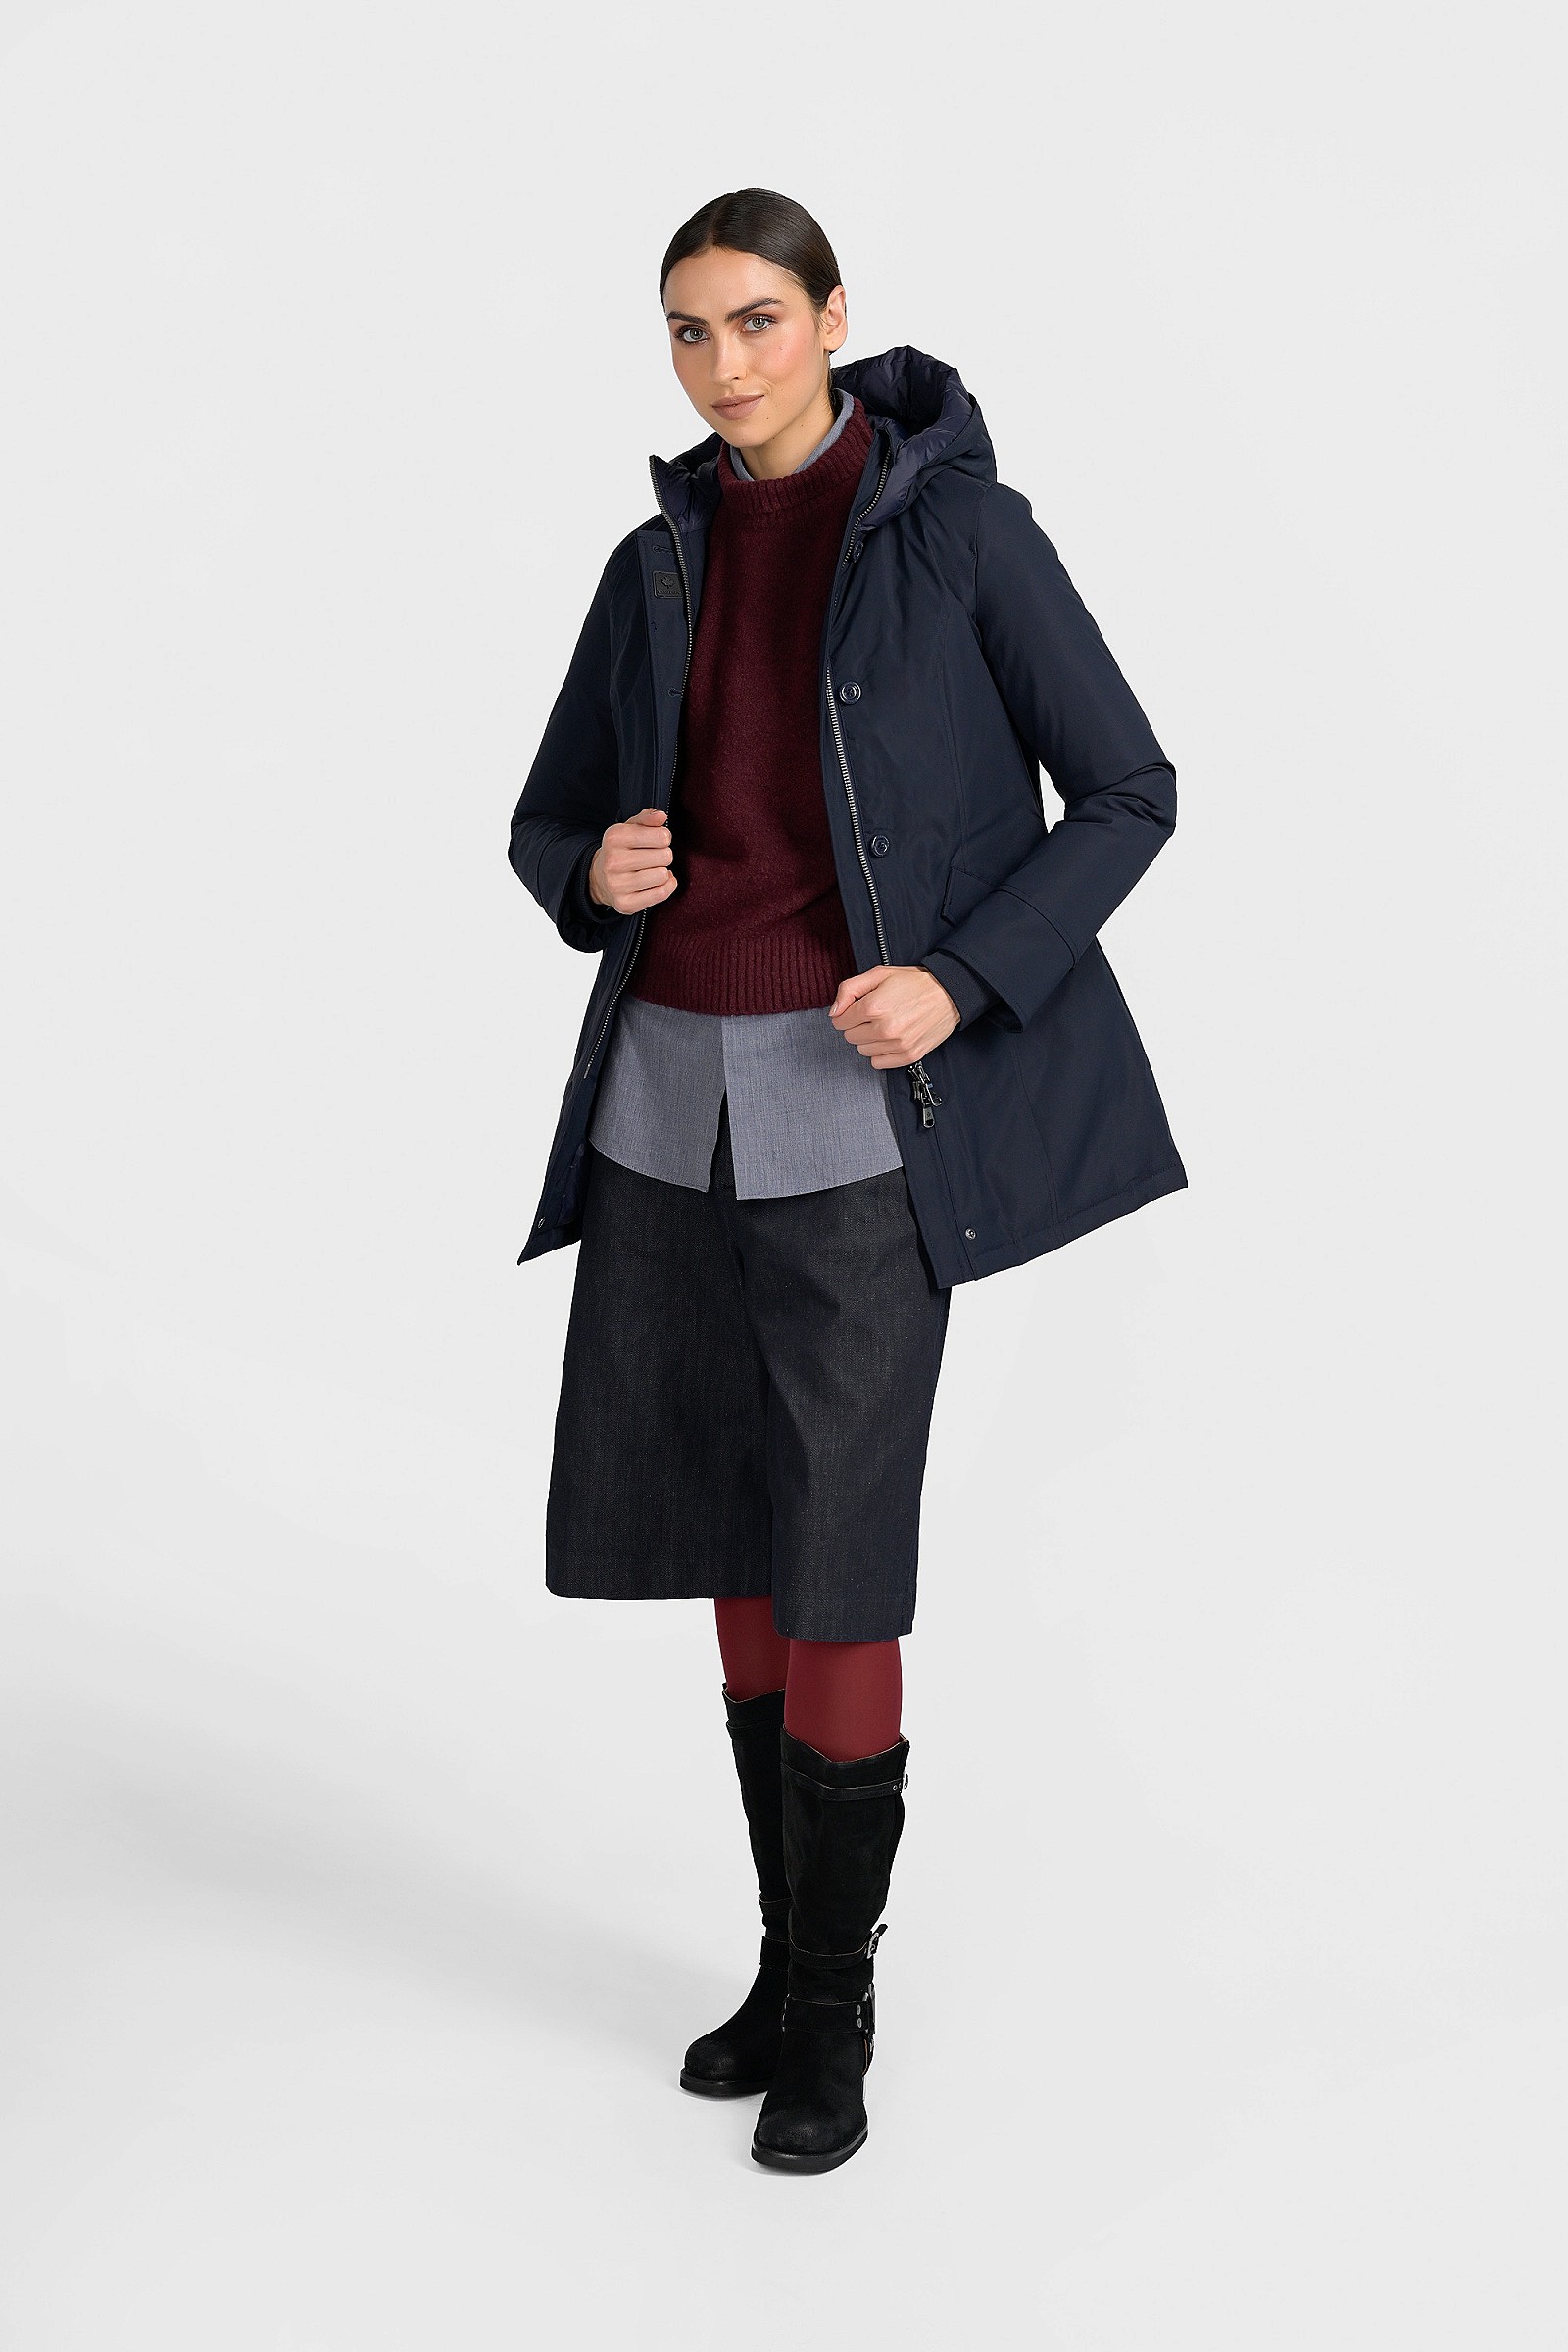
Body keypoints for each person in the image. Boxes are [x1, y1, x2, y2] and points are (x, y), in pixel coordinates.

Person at [507, 188, 1185, 2173]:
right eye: (686, 330)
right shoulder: (653, 561)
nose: (721, 363)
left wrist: (960, 978)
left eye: (754, 319)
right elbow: (554, 818)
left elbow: (1129, 789)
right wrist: (590, 870)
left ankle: (832, 2016)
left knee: (836, 1546)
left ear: (827, 316)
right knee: (729, 1529)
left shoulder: (964, 534)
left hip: (852, 1114)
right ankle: (781, 1961)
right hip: (664, 1102)